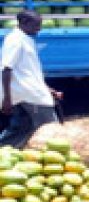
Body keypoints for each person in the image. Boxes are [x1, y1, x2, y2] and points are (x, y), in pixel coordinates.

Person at [0, 11, 61, 147]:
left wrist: (48, 89)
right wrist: (7, 99)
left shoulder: (24, 38)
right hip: (29, 95)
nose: (39, 29)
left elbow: (29, 71)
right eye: (36, 25)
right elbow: (6, 69)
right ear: (24, 23)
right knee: (52, 130)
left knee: (20, 130)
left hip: (27, 92)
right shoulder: (15, 40)